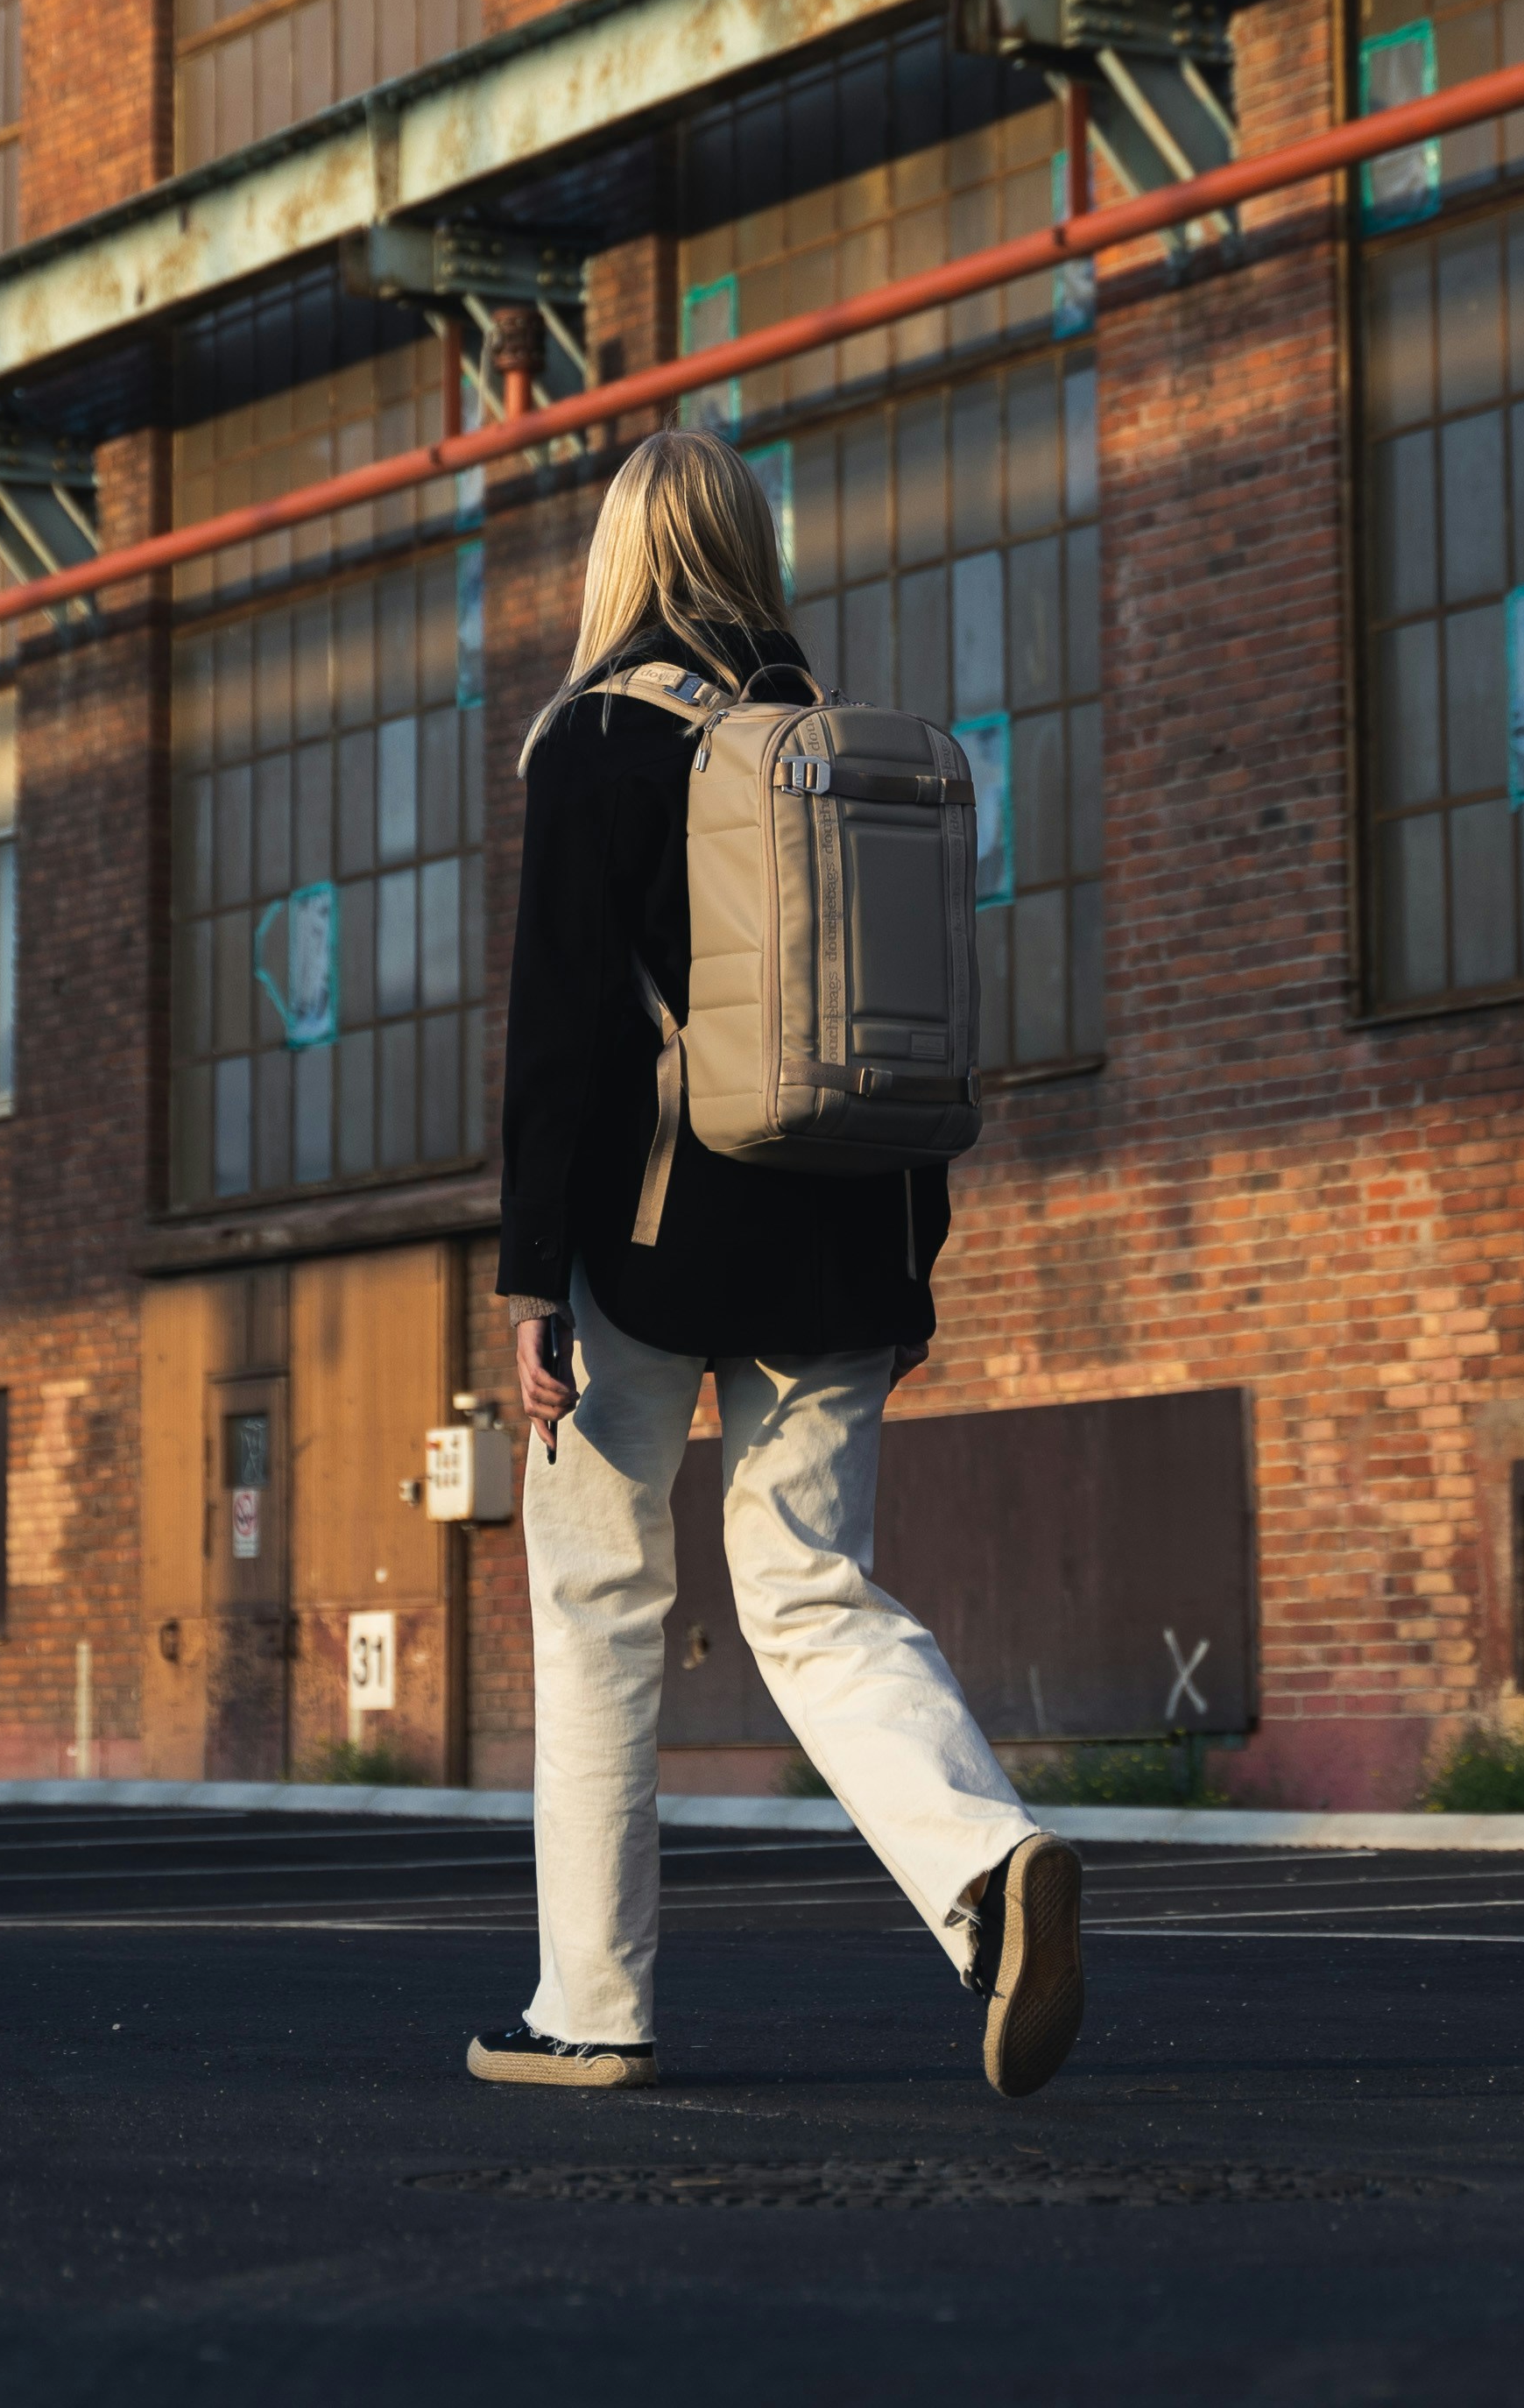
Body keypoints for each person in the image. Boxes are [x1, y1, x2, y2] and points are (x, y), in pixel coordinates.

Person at [466, 427, 1082, 2098]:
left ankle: (591, 2007)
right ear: (750, 550)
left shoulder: (592, 739)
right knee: (814, 1592)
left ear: (619, 560)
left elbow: (560, 1040)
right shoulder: (844, 750)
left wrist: (529, 1277)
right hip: (848, 1237)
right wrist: (914, 1271)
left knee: (599, 1606)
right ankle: (984, 1869)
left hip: (648, 1246)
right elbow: (926, 1027)